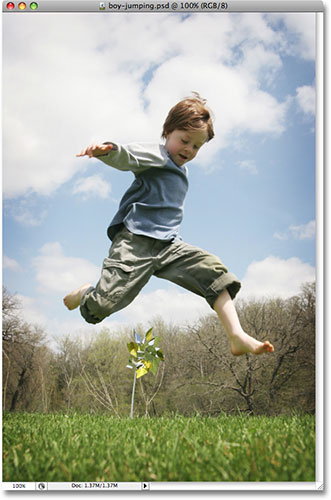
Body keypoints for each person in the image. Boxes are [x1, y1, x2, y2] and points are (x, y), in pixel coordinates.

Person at [64, 93, 274, 356]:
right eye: (184, 141)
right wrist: (107, 150)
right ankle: (87, 294)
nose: (188, 150)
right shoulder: (158, 155)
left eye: (196, 147)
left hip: (169, 246)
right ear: (168, 132)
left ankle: (237, 335)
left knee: (215, 274)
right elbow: (127, 156)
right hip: (135, 243)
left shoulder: (181, 170)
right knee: (101, 307)